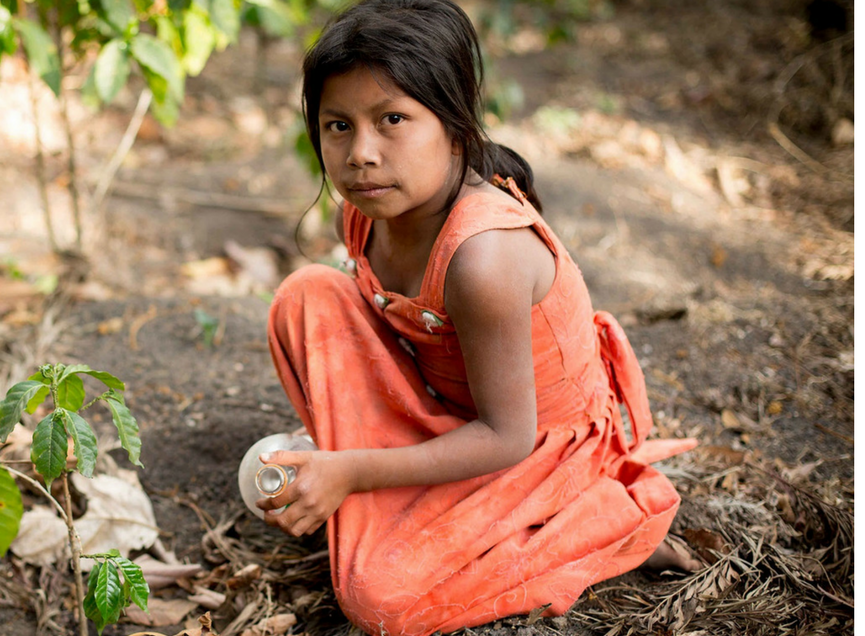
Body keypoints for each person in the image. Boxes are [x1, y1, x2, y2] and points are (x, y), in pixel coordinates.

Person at [255, 0, 701, 633]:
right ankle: (392, 486)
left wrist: (351, 467)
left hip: (531, 449)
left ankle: (601, 521)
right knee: (303, 296)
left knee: (378, 598)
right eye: (338, 125)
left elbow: (506, 436)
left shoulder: (484, 258)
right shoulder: (361, 213)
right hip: (450, 408)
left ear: (456, 127)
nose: (361, 153)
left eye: (392, 119)